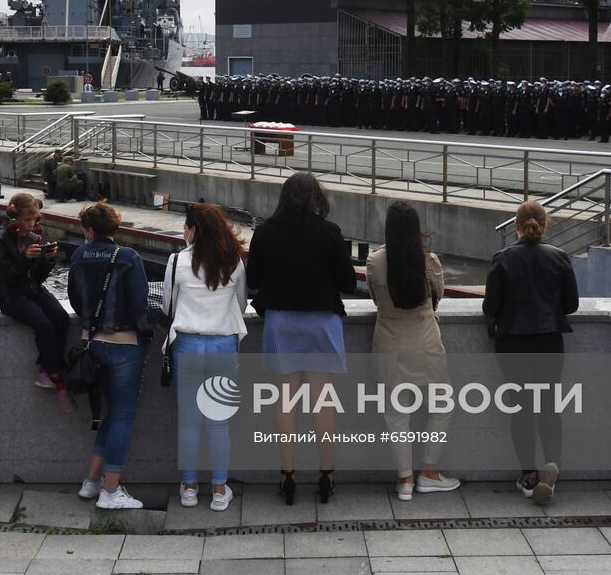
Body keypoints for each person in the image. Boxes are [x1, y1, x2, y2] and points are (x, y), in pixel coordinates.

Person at [246, 172, 357, 505]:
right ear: (316, 198)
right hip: (322, 323)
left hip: (281, 322)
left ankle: (288, 474)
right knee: (323, 400)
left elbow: (252, 279)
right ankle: (325, 474)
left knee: (286, 400)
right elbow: (348, 283)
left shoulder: (265, 232)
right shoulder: (330, 232)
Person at [482, 201, 579, 505]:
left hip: (513, 344)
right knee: (548, 405)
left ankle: (529, 477)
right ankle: (552, 462)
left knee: (521, 410)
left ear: (516, 226)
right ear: (545, 224)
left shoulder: (503, 259)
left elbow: (490, 308)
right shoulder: (559, 257)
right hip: (550, 342)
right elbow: (571, 305)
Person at [366, 202, 460, 502]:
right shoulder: (429, 261)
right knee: (442, 406)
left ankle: (405, 479)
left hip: (388, 344)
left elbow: (375, 298)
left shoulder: (375, 261)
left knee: (396, 414)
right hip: (426, 343)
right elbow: (438, 297)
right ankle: (429, 473)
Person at [162, 203, 248, 512]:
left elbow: (166, 307)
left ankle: (188, 488)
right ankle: (219, 489)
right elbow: (240, 305)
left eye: (186, 227)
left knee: (188, 422)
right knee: (218, 424)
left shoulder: (178, 262)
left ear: (194, 230)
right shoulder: (234, 263)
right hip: (223, 347)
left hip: (186, 346)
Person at [69, 201, 152, 510]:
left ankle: (91, 481)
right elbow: (140, 305)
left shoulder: (78, 255)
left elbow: (76, 300)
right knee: (122, 415)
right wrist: (146, 334)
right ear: (115, 228)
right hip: (124, 346)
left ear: (90, 230)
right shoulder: (129, 257)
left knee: (111, 413)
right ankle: (111, 490)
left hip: (92, 344)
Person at [0, 193, 71, 411]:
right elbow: (6, 280)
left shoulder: (34, 238)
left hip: (31, 288)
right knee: (43, 324)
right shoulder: (0, 240)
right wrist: (24, 259)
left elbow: (37, 278)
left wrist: (47, 260)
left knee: (61, 317)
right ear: (15, 216)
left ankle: (48, 368)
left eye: (35, 220)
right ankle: (55, 371)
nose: (32, 225)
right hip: (9, 294)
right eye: (27, 220)